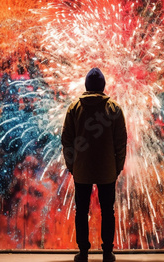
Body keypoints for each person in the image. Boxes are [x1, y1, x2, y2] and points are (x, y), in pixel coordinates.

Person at [61, 67, 127, 262]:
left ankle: (83, 252)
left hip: (81, 170)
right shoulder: (114, 108)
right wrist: (118, 167)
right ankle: (108, 252)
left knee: (81, 211)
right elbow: (121, 142)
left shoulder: (74, 108)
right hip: (107, 170)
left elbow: (66, 140)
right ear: (103, 86)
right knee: (108, 211)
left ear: (87, 86)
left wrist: (72, 166)